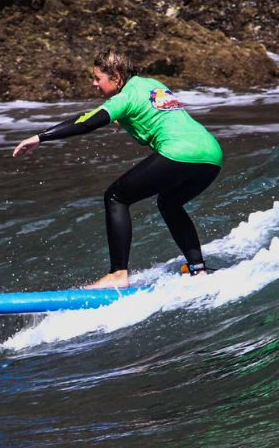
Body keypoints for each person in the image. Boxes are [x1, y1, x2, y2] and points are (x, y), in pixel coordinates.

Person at [12, 49, 223, 289]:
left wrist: (39, 138)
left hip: (180, 152)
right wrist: (121, 118)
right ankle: (198, 268)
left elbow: (87, 122)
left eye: (97, 77)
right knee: (169, 203)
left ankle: (118, 274)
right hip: (211, 155)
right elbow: (150, 112)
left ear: (115, 76)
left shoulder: (124, 98)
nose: (94, 84)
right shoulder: (151, 84)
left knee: (116, 196)